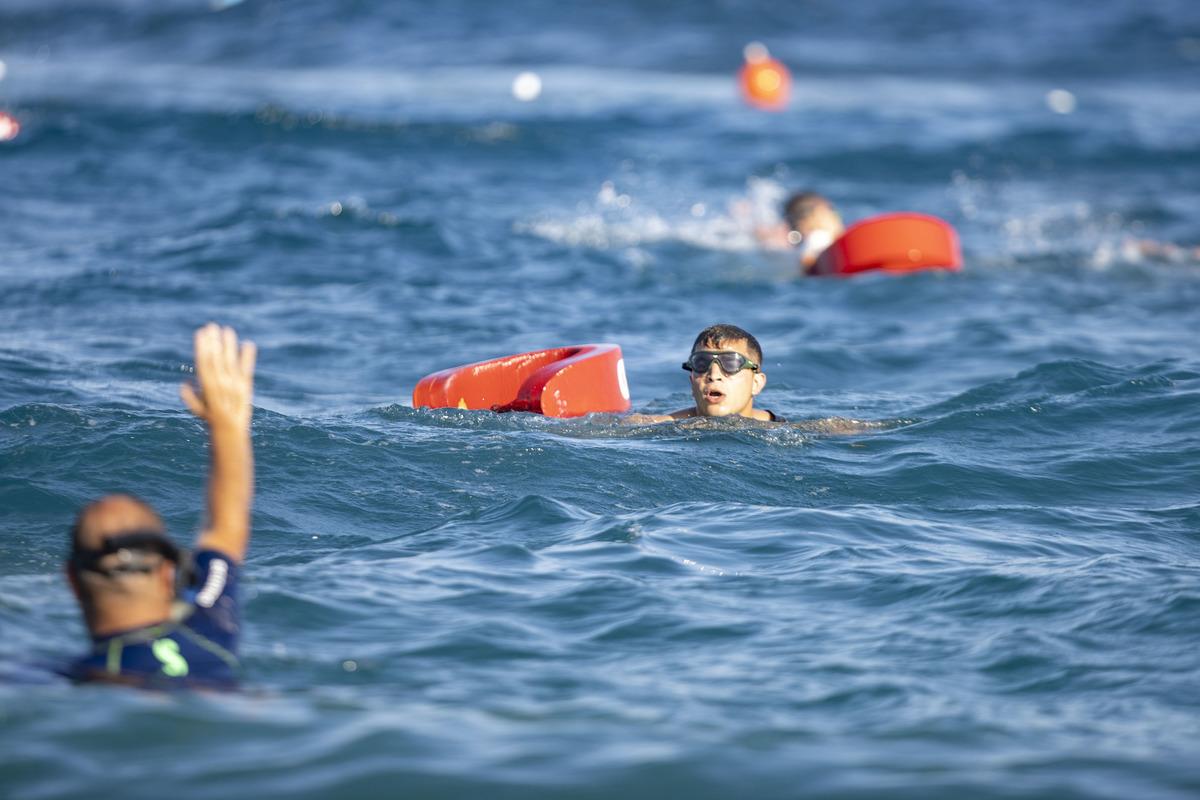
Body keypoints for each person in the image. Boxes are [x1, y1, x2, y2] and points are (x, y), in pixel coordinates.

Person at [62, 323, 256, 689]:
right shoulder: (210, 628)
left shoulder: (76, 679)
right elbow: (225, 529)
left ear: (71, 580)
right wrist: (228, 424)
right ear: (169, 573)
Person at [628, 323, 782, 423]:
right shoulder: (660, 426)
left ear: (756, 383)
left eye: (730, 363)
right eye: (701, 363)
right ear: (692, 381)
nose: (714, 375)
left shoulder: (783, 431)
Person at [756, 190, 845, 273]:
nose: (837, 217)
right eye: (831, 210)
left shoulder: (806, 243)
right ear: (815, 217)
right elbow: (807, 259)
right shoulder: (820, 237)